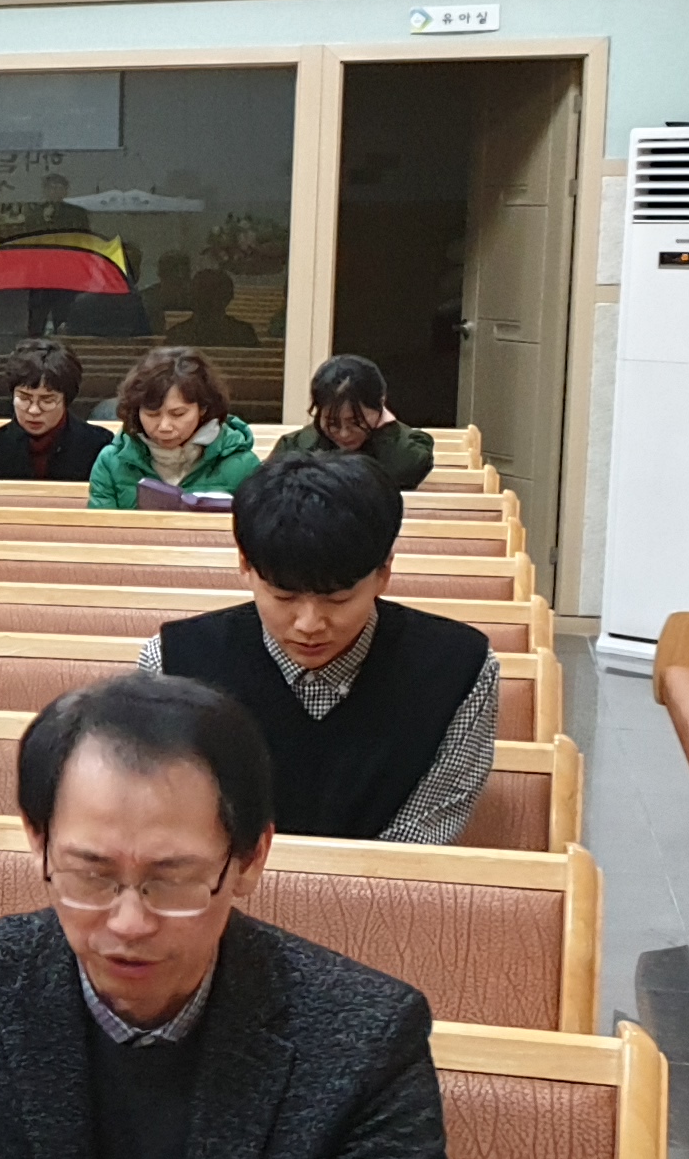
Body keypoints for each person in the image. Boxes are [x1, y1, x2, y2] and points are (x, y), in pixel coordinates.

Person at [0, 673, 449, 1159]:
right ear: (38, 841)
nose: (129, 923)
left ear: (250, 860)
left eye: (172, 879)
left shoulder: (365, 1039)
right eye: (92, 875)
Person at [138, 450, 499, 845]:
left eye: (338, 599)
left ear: (384, 572)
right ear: (245, 565)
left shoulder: (460, 668)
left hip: (391, 882)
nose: (309, 625)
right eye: (284, 597)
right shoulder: (172, 665)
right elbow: (168, 817)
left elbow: (424, 830)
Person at [88, 344, 257, 508]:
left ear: (203, 409)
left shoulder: (243, 466)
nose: (164, 426)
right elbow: (100, 524)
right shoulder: (112, 462)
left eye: (178, 414)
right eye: (152, 414)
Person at [269, 354, 436, 492]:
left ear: (380, 404)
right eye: (332, 422)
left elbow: (405, 469)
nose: (344, 433)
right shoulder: (293, 447)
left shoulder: (411, 449)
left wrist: (384, 433)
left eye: (356, 422)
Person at [0, 340, 114, 484]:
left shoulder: (99, 445)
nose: (33, 410)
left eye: (47, 400)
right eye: (24, 398)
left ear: (66, 400)